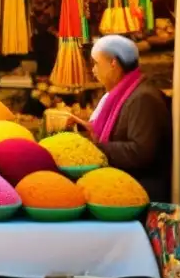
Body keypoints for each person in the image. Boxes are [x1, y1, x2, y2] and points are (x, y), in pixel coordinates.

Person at [72, 35, 171, 201]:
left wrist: (94, 148)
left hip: (142, 192)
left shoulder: (143, 98)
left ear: (113, 63)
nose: (94, 70)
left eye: (96, 63)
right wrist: (87, 130)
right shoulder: (124, 94)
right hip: (126, 185)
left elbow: (140, 152)